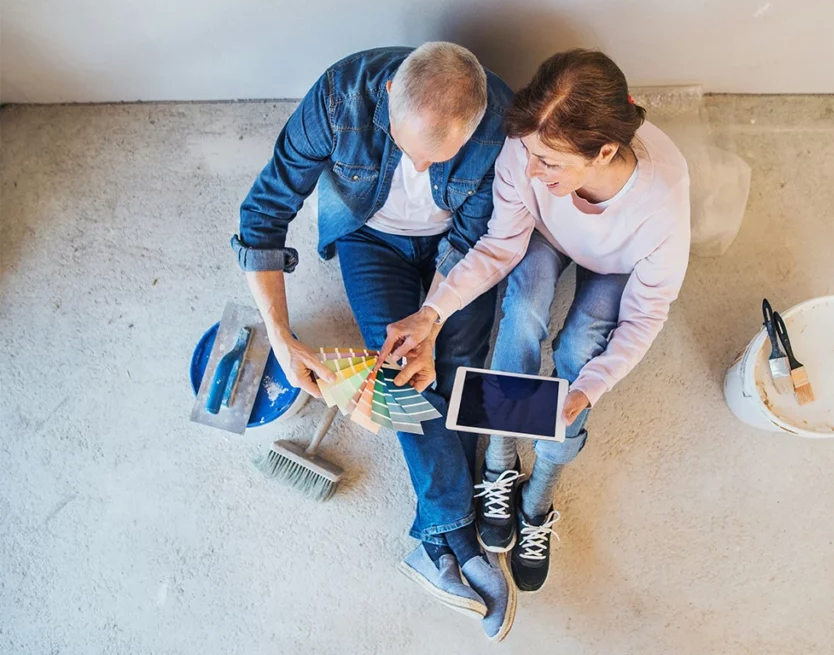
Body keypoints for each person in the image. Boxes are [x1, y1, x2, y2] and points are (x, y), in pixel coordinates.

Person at [233, 43, 515, 641]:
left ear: (473, 127)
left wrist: (434, 319)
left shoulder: (501, 127)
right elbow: (262, 215)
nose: (416, 169)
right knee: (398, 378)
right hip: (369, 239)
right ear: (388, 96)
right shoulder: (339, 95)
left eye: (436, 158)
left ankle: (438, 539)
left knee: (461, 366)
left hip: (453, 252)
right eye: (406, 148)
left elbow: (475, 234)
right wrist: (281, 338)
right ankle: (456, 536)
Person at [380, 49, 691, 593]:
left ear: (605, 153)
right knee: (521, 310)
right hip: (545, 234)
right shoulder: (527, 149)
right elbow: (500, 245)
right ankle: (499, 459)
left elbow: (645, 316)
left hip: (617, 263)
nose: (530, 169)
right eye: (529, 153)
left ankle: (539, 494)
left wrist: (590, 389)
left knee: (579, 356)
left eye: (549, 162)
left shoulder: (662, 206)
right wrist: (433, 312)